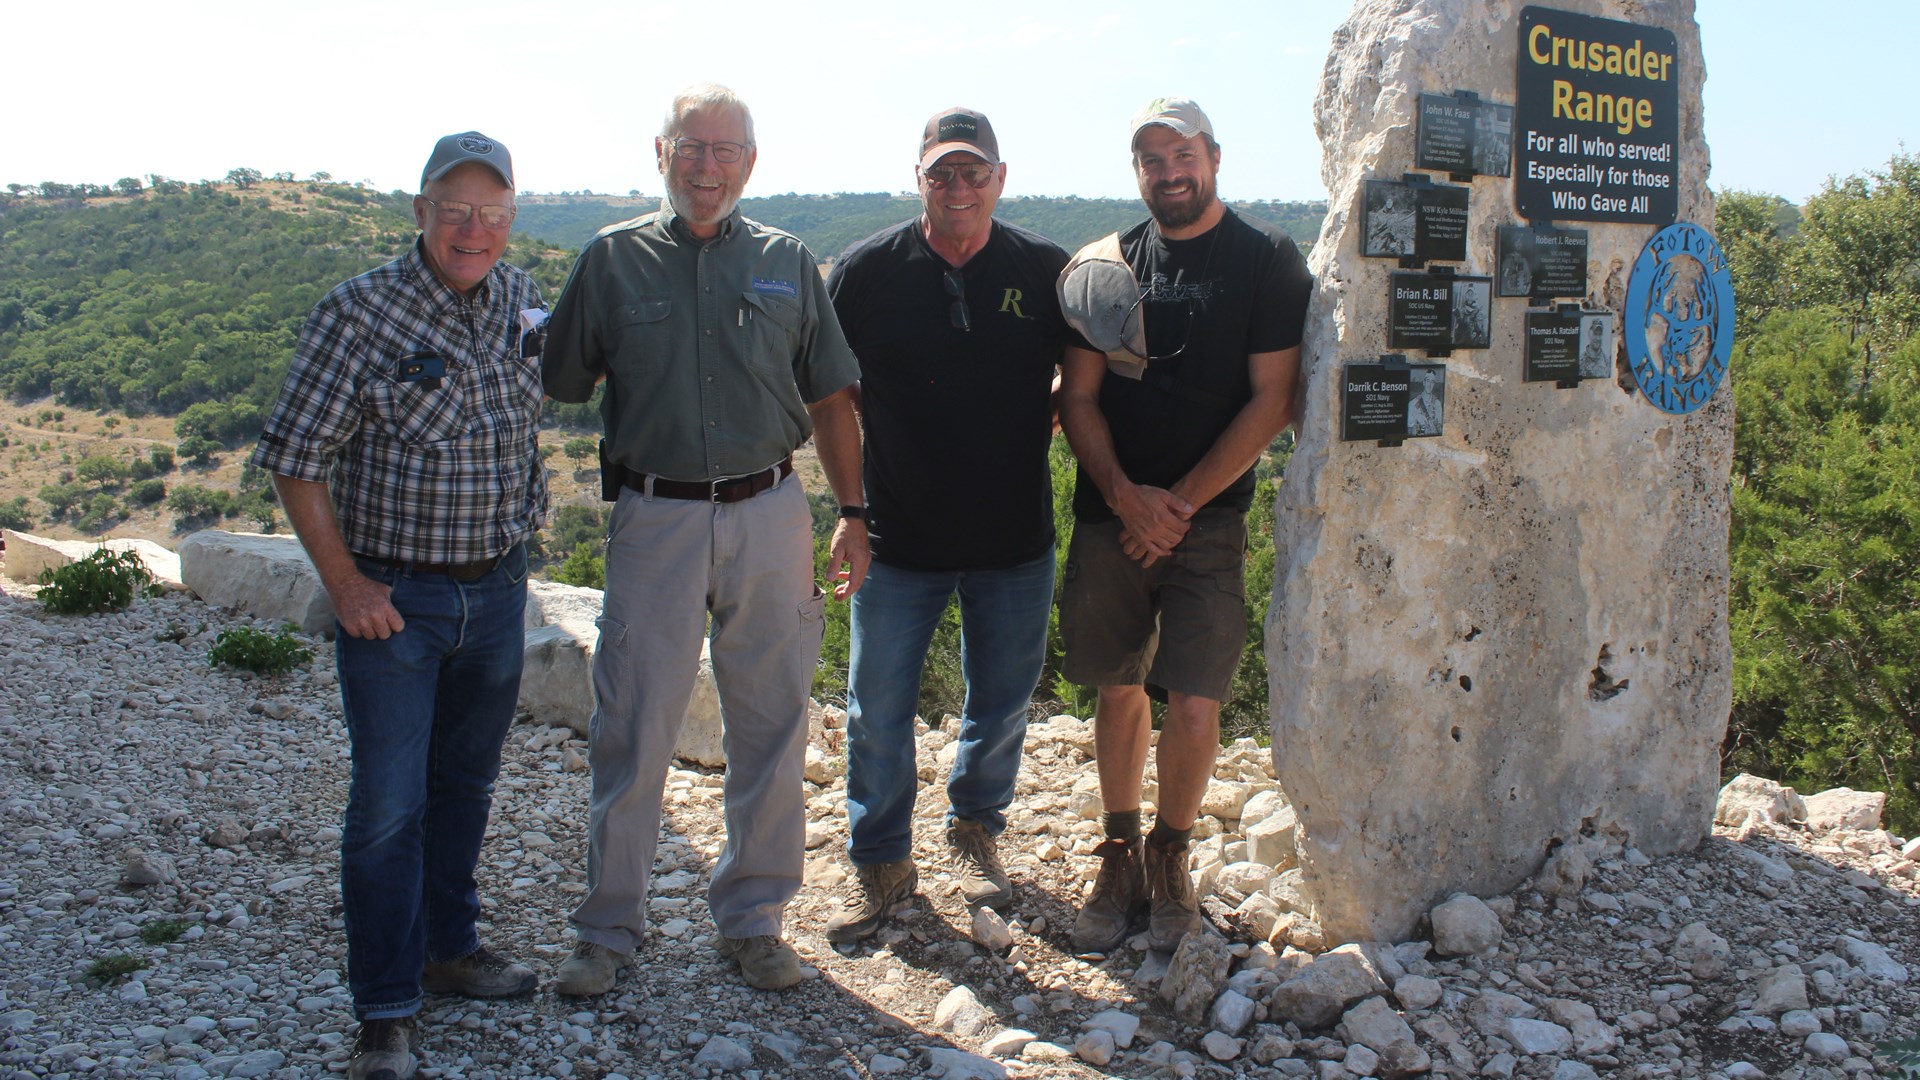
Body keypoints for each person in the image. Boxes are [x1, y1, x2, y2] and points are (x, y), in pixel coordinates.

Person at [541, 83, 867, 994]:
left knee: (770, 720)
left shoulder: (788, 261)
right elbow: (561, 375)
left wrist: (853, 512)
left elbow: (832, 397)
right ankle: (607, 930)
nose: (708, 166)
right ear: (661, 155)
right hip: (657, 517)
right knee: (634, 721)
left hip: (771, 513)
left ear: (750, 165)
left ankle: (754, 921)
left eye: (726, 151)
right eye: (692, 148)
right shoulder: (611, 260)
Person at [252, 131, 546, 1080]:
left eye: (492, 213)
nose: (474, 229)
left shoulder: (511, 298)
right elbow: (295, 460)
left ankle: (448, 950)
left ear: (510, 219)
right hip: (396, 603)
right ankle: (384, 1008)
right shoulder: (360, 312)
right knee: (386, 808)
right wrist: (346, 586)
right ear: (419, 212)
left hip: (497, 592)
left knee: (464, 788)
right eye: (455, 210)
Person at [822, 108, 1088, 942]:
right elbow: (833, 392)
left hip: (1014, 537)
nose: (959, 187)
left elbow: (1085, 374)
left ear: (1001, 179)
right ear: (920, 180)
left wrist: (1046, 407)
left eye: (974, 172)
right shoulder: (866, 272)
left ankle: (974, 826)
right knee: (876, 707)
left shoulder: (1045, 268)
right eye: (943, 173)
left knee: (1003, 701)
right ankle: (882, 857)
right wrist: (851, 511)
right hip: (898, 538)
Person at [1056, 97, 1312, 953]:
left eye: (1183, 155)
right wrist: (1128, 496)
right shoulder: (1106, 262)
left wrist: (1179, 506)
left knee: (1195, 699)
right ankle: (1121, 850)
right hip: (1111, 514)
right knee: (1119, 687)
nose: (1169, 173)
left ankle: (1172, 854)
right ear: (1138, 173)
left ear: (1213, 156)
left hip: (1208, 518)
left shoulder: (1267, 260)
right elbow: (1079, 397)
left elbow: (1274, 399)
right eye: (1151, 160)